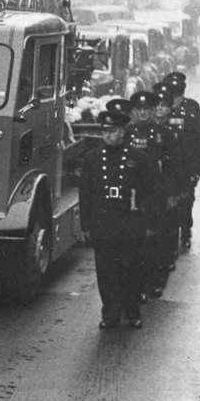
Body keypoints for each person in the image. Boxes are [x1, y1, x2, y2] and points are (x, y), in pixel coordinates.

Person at [79, 109, 160, 329]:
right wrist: (85, 225)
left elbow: (150, 192)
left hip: (130, 225)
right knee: (106, 273)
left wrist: (150, 224)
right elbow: (85, 193)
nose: (108, 135)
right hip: (104, 225)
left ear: (123, 131)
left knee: (131, 271)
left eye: (113, 131)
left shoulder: (138, 158)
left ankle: (132, 311)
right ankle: (110, 314)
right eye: (105, 131)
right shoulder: (92, 158)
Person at [125, 89, 178, 298]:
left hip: (156, 196)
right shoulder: (126, 133)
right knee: (133, 243)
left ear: (153, 110)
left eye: (147, 110)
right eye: (139, 110)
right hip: (131, 196)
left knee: (155, 241)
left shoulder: (164, 135)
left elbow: (174, 166)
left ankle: (154, 282)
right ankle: (135, 285)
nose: (143, 114)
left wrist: (172, 194)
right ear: (134, 112)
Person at [160, 71, 200, 250]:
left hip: (187, 165)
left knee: (186, 202)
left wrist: (198, 169)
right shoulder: (163, 109)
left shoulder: (192, 108)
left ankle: (185, 231)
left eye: (179, 94)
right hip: (169, 165)